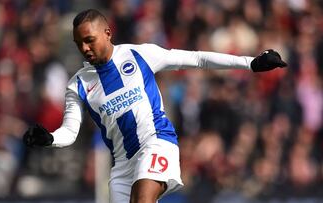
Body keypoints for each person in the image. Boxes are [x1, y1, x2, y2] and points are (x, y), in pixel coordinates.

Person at [23, 9, 287, 203]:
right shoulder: (78, 84)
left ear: (107, 33)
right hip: (122, 166)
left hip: (157, 142)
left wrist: (250, 63)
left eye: (89, 40)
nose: (84, 48)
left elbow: (196, 59)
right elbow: (69, 131)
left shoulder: (140, 55)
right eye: (79, 43)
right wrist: (49, 138)